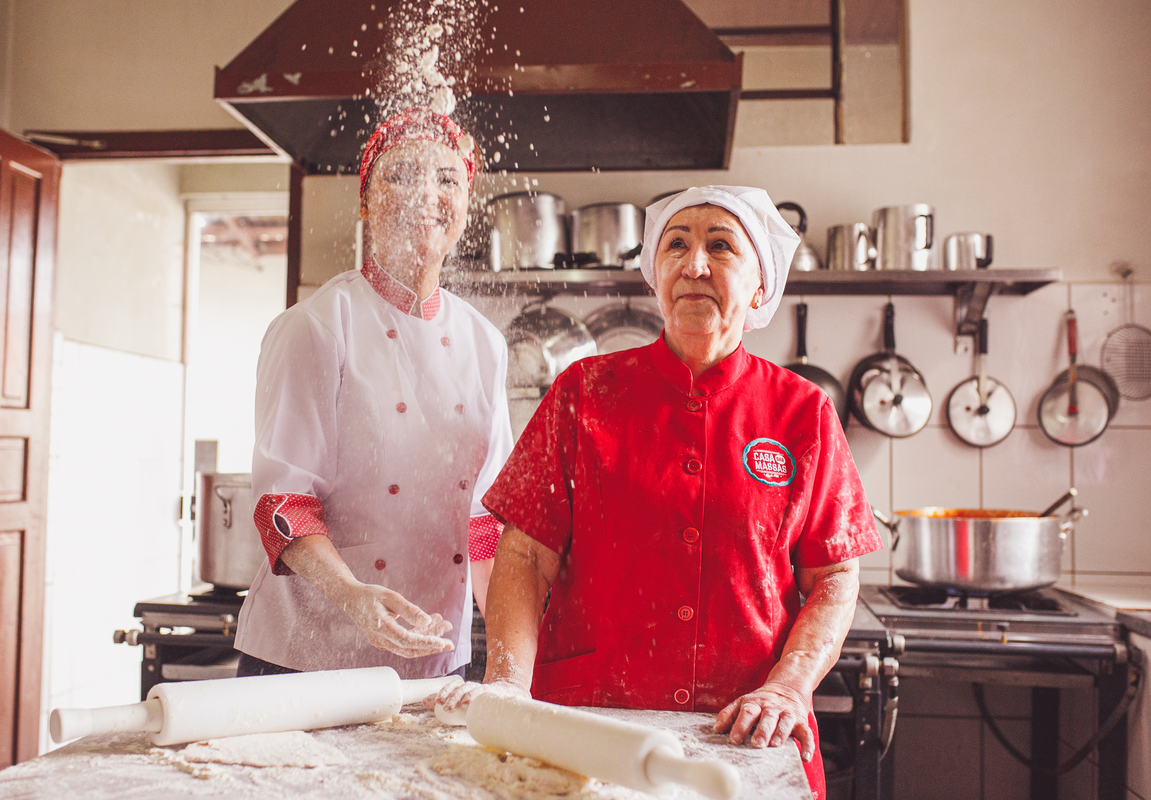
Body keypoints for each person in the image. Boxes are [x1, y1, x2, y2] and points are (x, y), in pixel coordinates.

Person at [437, 186, 881, 800]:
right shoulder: (583, 393)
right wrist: (508, 684)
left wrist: (789, 685)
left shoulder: (803, 413)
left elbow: (833, 579)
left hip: (744, 732)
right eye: (676, 245)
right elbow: (524, 555)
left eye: (720, 246)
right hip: (589, 729)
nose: (694, 264)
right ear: (655, 278)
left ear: (759, 288)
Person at [234, 106, 513, 680]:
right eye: (401, 175)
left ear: (466, 203)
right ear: (364, 201)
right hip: (306, 658)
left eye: (447, 179)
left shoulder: (485, 343)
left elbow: (486, 522)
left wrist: (514, 659)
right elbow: (283, 506)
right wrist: (353, 595)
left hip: (433, 660)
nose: (426, 195)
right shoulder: (318, 325)